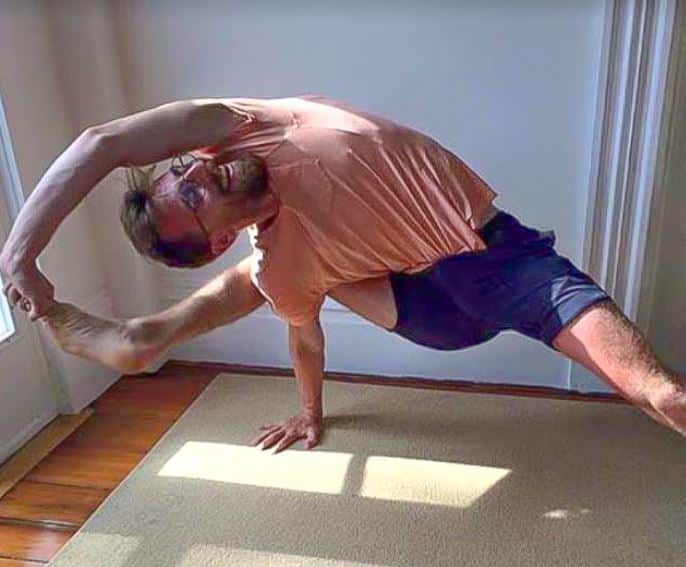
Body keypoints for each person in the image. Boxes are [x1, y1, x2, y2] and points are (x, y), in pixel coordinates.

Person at [1, 95, 684, 451]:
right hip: (430, 312)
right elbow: (304, 339)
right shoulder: (281, 264)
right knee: (278, 277)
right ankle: (129, 341)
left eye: (183, 171)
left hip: (497, 261)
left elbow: (102, 143)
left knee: (658, 394)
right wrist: (308, 413)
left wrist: (18, 252)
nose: (197, 170)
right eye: (194, 197)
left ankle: (142, 337)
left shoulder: (244, 125)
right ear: (213, 242)